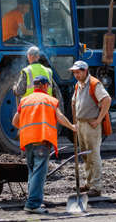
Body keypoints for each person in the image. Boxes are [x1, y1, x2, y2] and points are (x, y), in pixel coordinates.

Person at [12, 75, 76, 214]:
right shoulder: (50, 100)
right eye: (47, 85)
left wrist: (27, 127)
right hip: (42, 141)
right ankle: (33, 204)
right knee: (39, 173)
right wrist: (72, 127)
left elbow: (15, 122)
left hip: (28, 142)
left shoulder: (24, 100)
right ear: (44, 85)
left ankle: (33, 199)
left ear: (35, 86)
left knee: (32, 172)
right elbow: (60, 117)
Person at [70, 60, 111, 197]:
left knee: (93, 155)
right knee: (85, 156)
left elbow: (107, 100)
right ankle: (89, 183)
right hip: (81, 124)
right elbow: (73, 102)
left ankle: (96, 186)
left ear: (85, 71)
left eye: (78, 72)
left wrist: (99, 119)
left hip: (91, 124)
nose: (76, 74)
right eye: (74, 72)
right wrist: (75, 122)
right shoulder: (78, 85)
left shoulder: (94, 84)